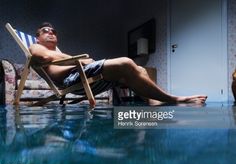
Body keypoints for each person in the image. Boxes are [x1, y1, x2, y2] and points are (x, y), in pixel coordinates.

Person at [29, 22, 207, 105]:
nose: (51, 32)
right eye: (46, 31)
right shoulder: (35, 47)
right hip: (72, 82)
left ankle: (154, 102)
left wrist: (78, 62)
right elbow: (44, 59)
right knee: (125, 62)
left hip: (82, 76)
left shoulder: (58, 51)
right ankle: (174, 99)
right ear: (38, 37)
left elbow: (57, 59)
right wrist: (80, 61)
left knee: (140, 70)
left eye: (54, 31)